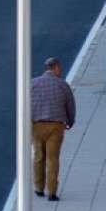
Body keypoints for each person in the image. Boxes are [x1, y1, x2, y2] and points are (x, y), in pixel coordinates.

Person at [32, 57, 76, 202]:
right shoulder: (62, 85)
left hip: (36, 125)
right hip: (56, 126)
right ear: (56, 68)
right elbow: (70, 105)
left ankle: (38, 188)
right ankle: (52, 192)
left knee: (39, 156)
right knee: (53, 159)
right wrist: (70, 121)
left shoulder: (33, 83)